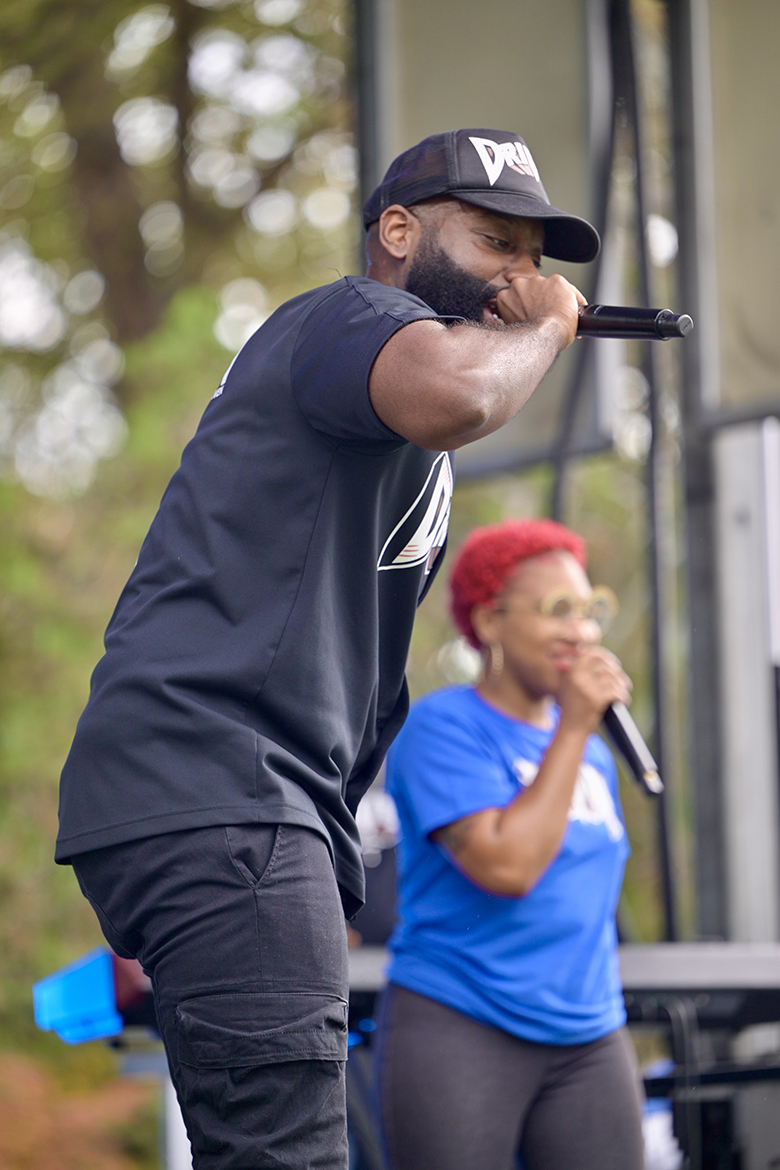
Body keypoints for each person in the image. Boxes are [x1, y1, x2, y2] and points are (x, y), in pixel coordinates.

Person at [55, 130, 597, 1168]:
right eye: (494, 242)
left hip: (247, 802)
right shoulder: (357, 318)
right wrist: (551, 326)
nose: (522, 275)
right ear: (397, 232)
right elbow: (462, 395)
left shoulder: (387, 388)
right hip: (224, 786)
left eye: (537, 255)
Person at [378, 518, 645, 1170]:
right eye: (557, 610)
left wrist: (575, 735)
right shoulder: (442, 729)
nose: (580, 632)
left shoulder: (592, 758)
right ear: (490, 622)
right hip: (461, 1024)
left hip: (588, 1033)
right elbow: (508, 867)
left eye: (588, 611)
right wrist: (575, 731)